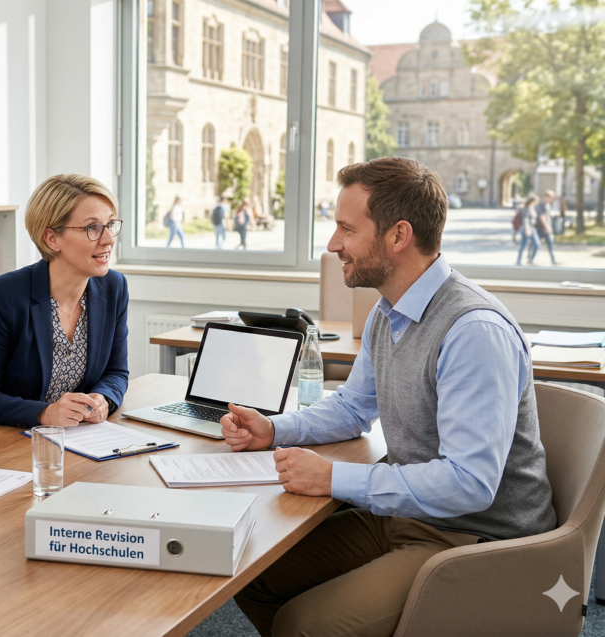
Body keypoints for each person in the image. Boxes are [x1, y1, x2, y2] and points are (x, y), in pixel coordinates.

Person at [223, 157, 555, 636]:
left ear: (398, 236)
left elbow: (470, 484)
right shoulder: (389, 310)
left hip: (475, 536)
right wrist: (274, 428)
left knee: (304, 624)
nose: (333, 244)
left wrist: (334, 478)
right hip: (409, 515)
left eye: (346, 229)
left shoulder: (472, 331)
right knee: (253, 570)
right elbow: (354, 406)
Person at [0, 174, 129, 428]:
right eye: (92, 228)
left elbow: (116, 372)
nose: (109, 239)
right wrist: (45, 413)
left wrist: (104, 399)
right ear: (52, 239)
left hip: (69, 440)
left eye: (110, 225)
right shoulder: (4, 295)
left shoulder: (114, 287)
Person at [535, 190, 559, 265]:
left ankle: (553, 259)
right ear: (546, 197)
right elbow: (542, 217)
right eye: (550, 198)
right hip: (541, 229)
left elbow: (547, 216)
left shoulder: (548, 205)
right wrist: (547, 227)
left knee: (550, 244)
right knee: (536, 244)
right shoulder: (541, 205)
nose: (551, 199)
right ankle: (530, 258)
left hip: (546, 229)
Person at [516, 194, 540, 266]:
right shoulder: (526, 208)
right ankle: (519, 260)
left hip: (533, 228)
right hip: (527, 229)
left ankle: (530, 259)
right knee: (523, 245)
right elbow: (525, 219)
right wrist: (527, 228)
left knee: (537, 244)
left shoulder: (532, 208)